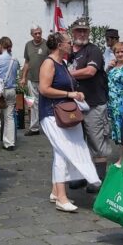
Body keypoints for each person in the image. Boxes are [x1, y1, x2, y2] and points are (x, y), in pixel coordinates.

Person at [38, 32, 100, 212]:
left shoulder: (63, 63)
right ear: (59, 45)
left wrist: (76, 93)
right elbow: (44, 89)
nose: (70, 44)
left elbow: (67, 85)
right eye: (67, 42)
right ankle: (61, 197)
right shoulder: (49, 63)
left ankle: (55, 191)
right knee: (62, 152)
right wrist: (68, 94)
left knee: (63, 150)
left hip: (65, 113)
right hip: (51, 113)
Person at [68, 18, 114, 171]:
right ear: (72, 32)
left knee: (96, 141)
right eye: (78, 30)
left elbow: (90, 71)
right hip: (73, 105)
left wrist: (69, 74)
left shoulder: (93, 50)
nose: (82, 33)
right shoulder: (67, 52)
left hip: (94, 104)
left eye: (85, 31)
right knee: (76, 141)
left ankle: (99, 179)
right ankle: (81, 175)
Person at [0, 36, 20, 151]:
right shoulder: (15, 60)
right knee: (9, 117)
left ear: (1, 46)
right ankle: (9, 142)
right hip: (11, 90)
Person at [19, 25, 46, 136]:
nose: (38, 35)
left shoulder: (46, 44)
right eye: (36, 33)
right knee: (33, 103)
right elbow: (27, 62)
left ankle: (48, 126)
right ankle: (34, 128)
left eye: (39, 33)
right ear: (32, 34)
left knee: (46, 103)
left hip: (45, 79)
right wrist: (23, 77)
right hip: (31, 78)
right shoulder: (28, 45)